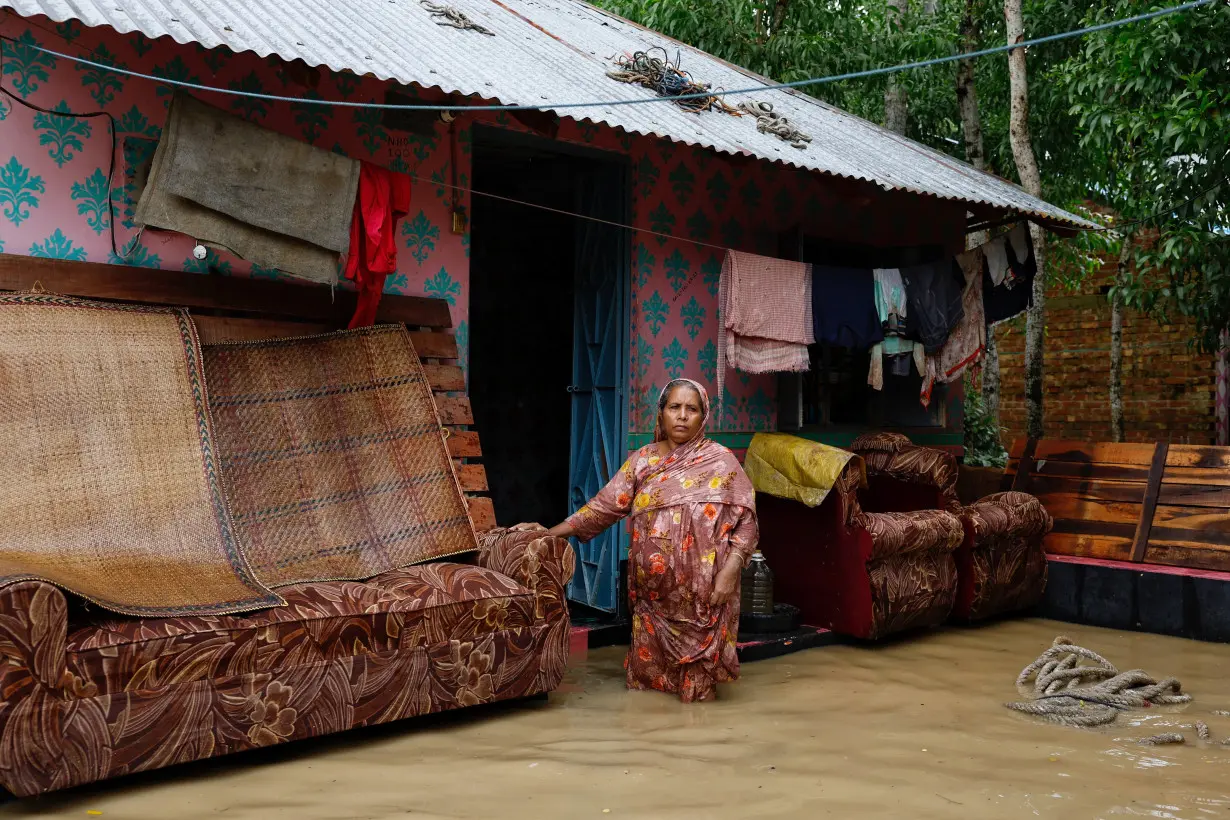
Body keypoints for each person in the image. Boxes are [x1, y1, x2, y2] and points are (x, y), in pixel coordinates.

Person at [517, 378, 758, 702]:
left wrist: (730, 572)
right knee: (646, 691)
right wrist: (547, 534)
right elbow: (602, 508)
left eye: (692, 409)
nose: (683, 416)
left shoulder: (721, 461)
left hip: (704, 599)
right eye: (675, 407)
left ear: (704, 416)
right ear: (661, 414)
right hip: (652, 603)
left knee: (698, 695)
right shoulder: (643, 461)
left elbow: (747, 525)